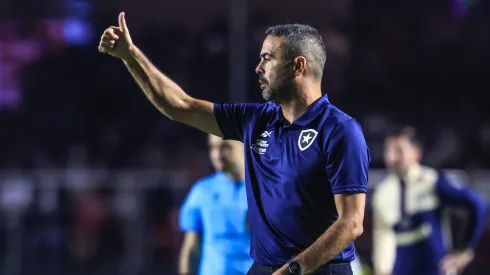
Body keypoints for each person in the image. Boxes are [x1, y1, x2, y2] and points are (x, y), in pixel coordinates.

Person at [98, 12, 370, 275]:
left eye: (267, 58)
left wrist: (292, 271)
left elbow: (351, 223)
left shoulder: (340, 130)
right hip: (265, 268)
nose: (258, 68)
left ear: (298, 66)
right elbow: (180, 106)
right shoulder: (256, 119)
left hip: (316, 270)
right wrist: (129, 56)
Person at [371, 126, 488, 275]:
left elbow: (478, 205)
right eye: (389, 151)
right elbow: (382, 237)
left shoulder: (432, 181)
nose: (393, 157)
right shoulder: (382, 193)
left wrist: (465, 251)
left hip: (435, 270)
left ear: (416, 153)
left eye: (399, 151)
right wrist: (381, 270)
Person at [179, 134, 252, 275]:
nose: (217, 155)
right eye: (212, 147)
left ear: (243, 146)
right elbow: (191, 247)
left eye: (225, 147)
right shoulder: (202, 191)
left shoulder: (265, 190)